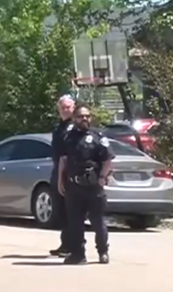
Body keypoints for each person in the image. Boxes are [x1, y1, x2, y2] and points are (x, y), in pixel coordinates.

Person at [58, 104, 114, 265]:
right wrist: (60, 179)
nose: (84, 119)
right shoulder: (68, 137)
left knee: (97, 222)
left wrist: (102, 177)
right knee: (75, 223)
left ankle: (103, 252)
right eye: (81, 116)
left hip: (93, 187)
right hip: (74, 187)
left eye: (87, 116)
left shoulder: (97, 137)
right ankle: (78, 254)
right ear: (74, 118)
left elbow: (108, 160)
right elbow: (63, 159)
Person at [49, 95, 75, 257]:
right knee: (60, 210)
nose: (65, 110)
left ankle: (72, 245)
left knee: (70, 210)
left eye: (68, 107)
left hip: (69, 172)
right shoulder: (59, 127)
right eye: (63, 107)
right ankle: (65, 243)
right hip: (57, 169)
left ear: (73, 108)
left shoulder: (75, 127)